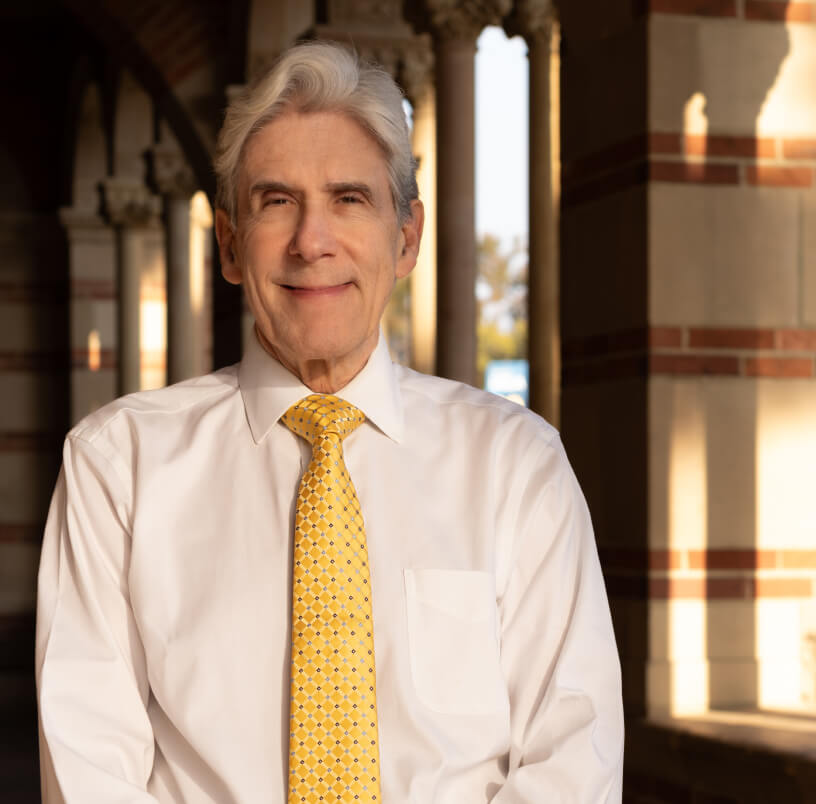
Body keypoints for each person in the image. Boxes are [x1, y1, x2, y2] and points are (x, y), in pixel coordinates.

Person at [36, 40, 623, 803]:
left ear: (405, 237)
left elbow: (571, 758)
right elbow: (89, 767)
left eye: (349, 199)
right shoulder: (118, 467)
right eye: (277, 201)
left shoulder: (517, 467)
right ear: (230, 245)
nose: (313, 241)